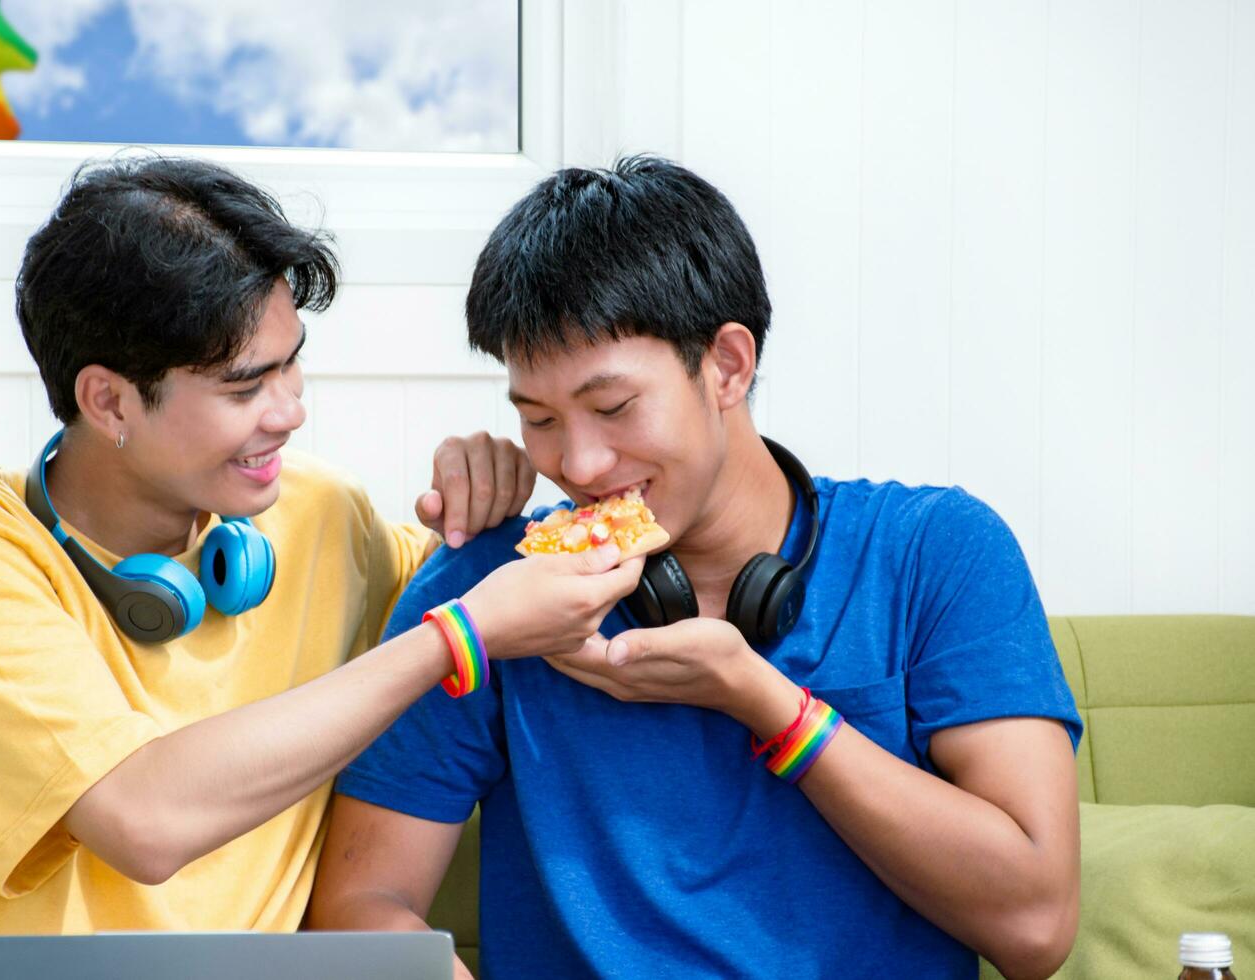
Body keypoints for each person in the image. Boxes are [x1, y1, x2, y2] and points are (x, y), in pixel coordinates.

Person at [308, 156, 1084, 979]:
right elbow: (360, 909)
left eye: (613, 408)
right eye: (538, 419)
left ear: (728, 365)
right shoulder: (492, 587)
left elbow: (1034, 928)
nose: (579, 461)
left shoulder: (938, 552)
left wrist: (769, 705)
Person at [0, 156, 643, 969]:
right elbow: (143, 820)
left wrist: (482, 494)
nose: (291, 410)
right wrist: (453, 635)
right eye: (244, 389)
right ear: (108, 401)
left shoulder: (319, 516)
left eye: (291, 362)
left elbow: (505, 587)